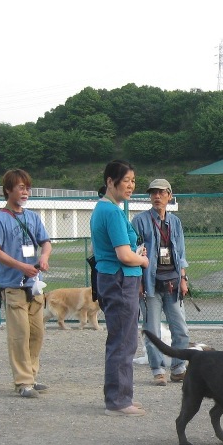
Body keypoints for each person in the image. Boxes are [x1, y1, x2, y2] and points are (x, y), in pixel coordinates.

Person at [90, 159, 150, 416]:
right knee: (123, 341)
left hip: (112, 277)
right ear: (110, 182)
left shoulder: (103, 209)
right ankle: (118, 401)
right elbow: (124, 254)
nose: (131, 186)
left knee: (121, 339)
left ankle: (121, 395)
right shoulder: (112, 212)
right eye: (126, 180)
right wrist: (143, 259)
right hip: (119, 279)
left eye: (133, 181)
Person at [0, 169, 53, 398]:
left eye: (27, 187)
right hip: (13, 286)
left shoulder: (33, 217)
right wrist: (21, 266)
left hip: (34, 286)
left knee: (37, 333)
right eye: (20, 187)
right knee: (19, 334)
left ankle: (32, 376)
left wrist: (43, 257)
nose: (25, 191)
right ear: (8, 190)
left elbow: (46, 243)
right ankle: (23, 382)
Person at [131, 178, 191, 386]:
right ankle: (157, 370)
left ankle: (178, 367)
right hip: (149, 284)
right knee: (152, 330)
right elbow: (134, 252)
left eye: (161, 192)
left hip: (173, 283)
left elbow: (181, 252)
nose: (157, 196)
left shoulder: (175, 222)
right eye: (153, 193)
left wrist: (183, 278)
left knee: (180, 329)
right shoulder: (139, 221)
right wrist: (138, 281)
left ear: (169, 196)